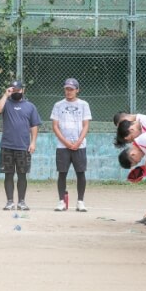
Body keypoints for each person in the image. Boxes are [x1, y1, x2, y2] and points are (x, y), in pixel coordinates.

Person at [0, 79, 41, 211]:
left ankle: (21, 202)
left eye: (18, 90)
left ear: (23, 90)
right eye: (13, 90)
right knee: (8, 174)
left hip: (23, 147)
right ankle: (9, 202)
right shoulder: (6, 104)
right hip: (7, 145)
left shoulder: (30, 106)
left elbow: (34, 125)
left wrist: (33, 142)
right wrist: (5, 95)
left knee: (22, 175)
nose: (16, 92)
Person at [51, 78, 92, 212]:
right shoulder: (58, 105)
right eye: (67, 89)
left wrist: (79, 141)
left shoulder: (84, 104)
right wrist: (66, 142)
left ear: (77, 90)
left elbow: (86, 125)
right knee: (62, 173)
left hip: (79, 145)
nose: (68, 92)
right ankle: (61, 201)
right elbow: (55, 126)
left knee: (81, 173)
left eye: (71, 89)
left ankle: (80, 202)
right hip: (63, 146)